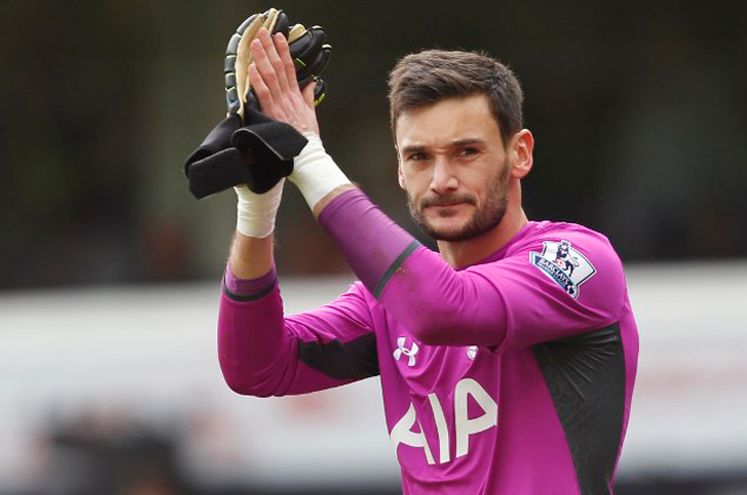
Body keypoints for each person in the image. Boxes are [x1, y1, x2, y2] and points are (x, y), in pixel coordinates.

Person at [218, 27, 639, 495]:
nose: (441, 180)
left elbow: (443, 308)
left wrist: (309, 158)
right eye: (419, 156)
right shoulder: (389, 301)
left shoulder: (578, 260)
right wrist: (258, 204)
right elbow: (254, 366)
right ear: (400, 169)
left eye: (466, 152)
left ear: (519, 154)